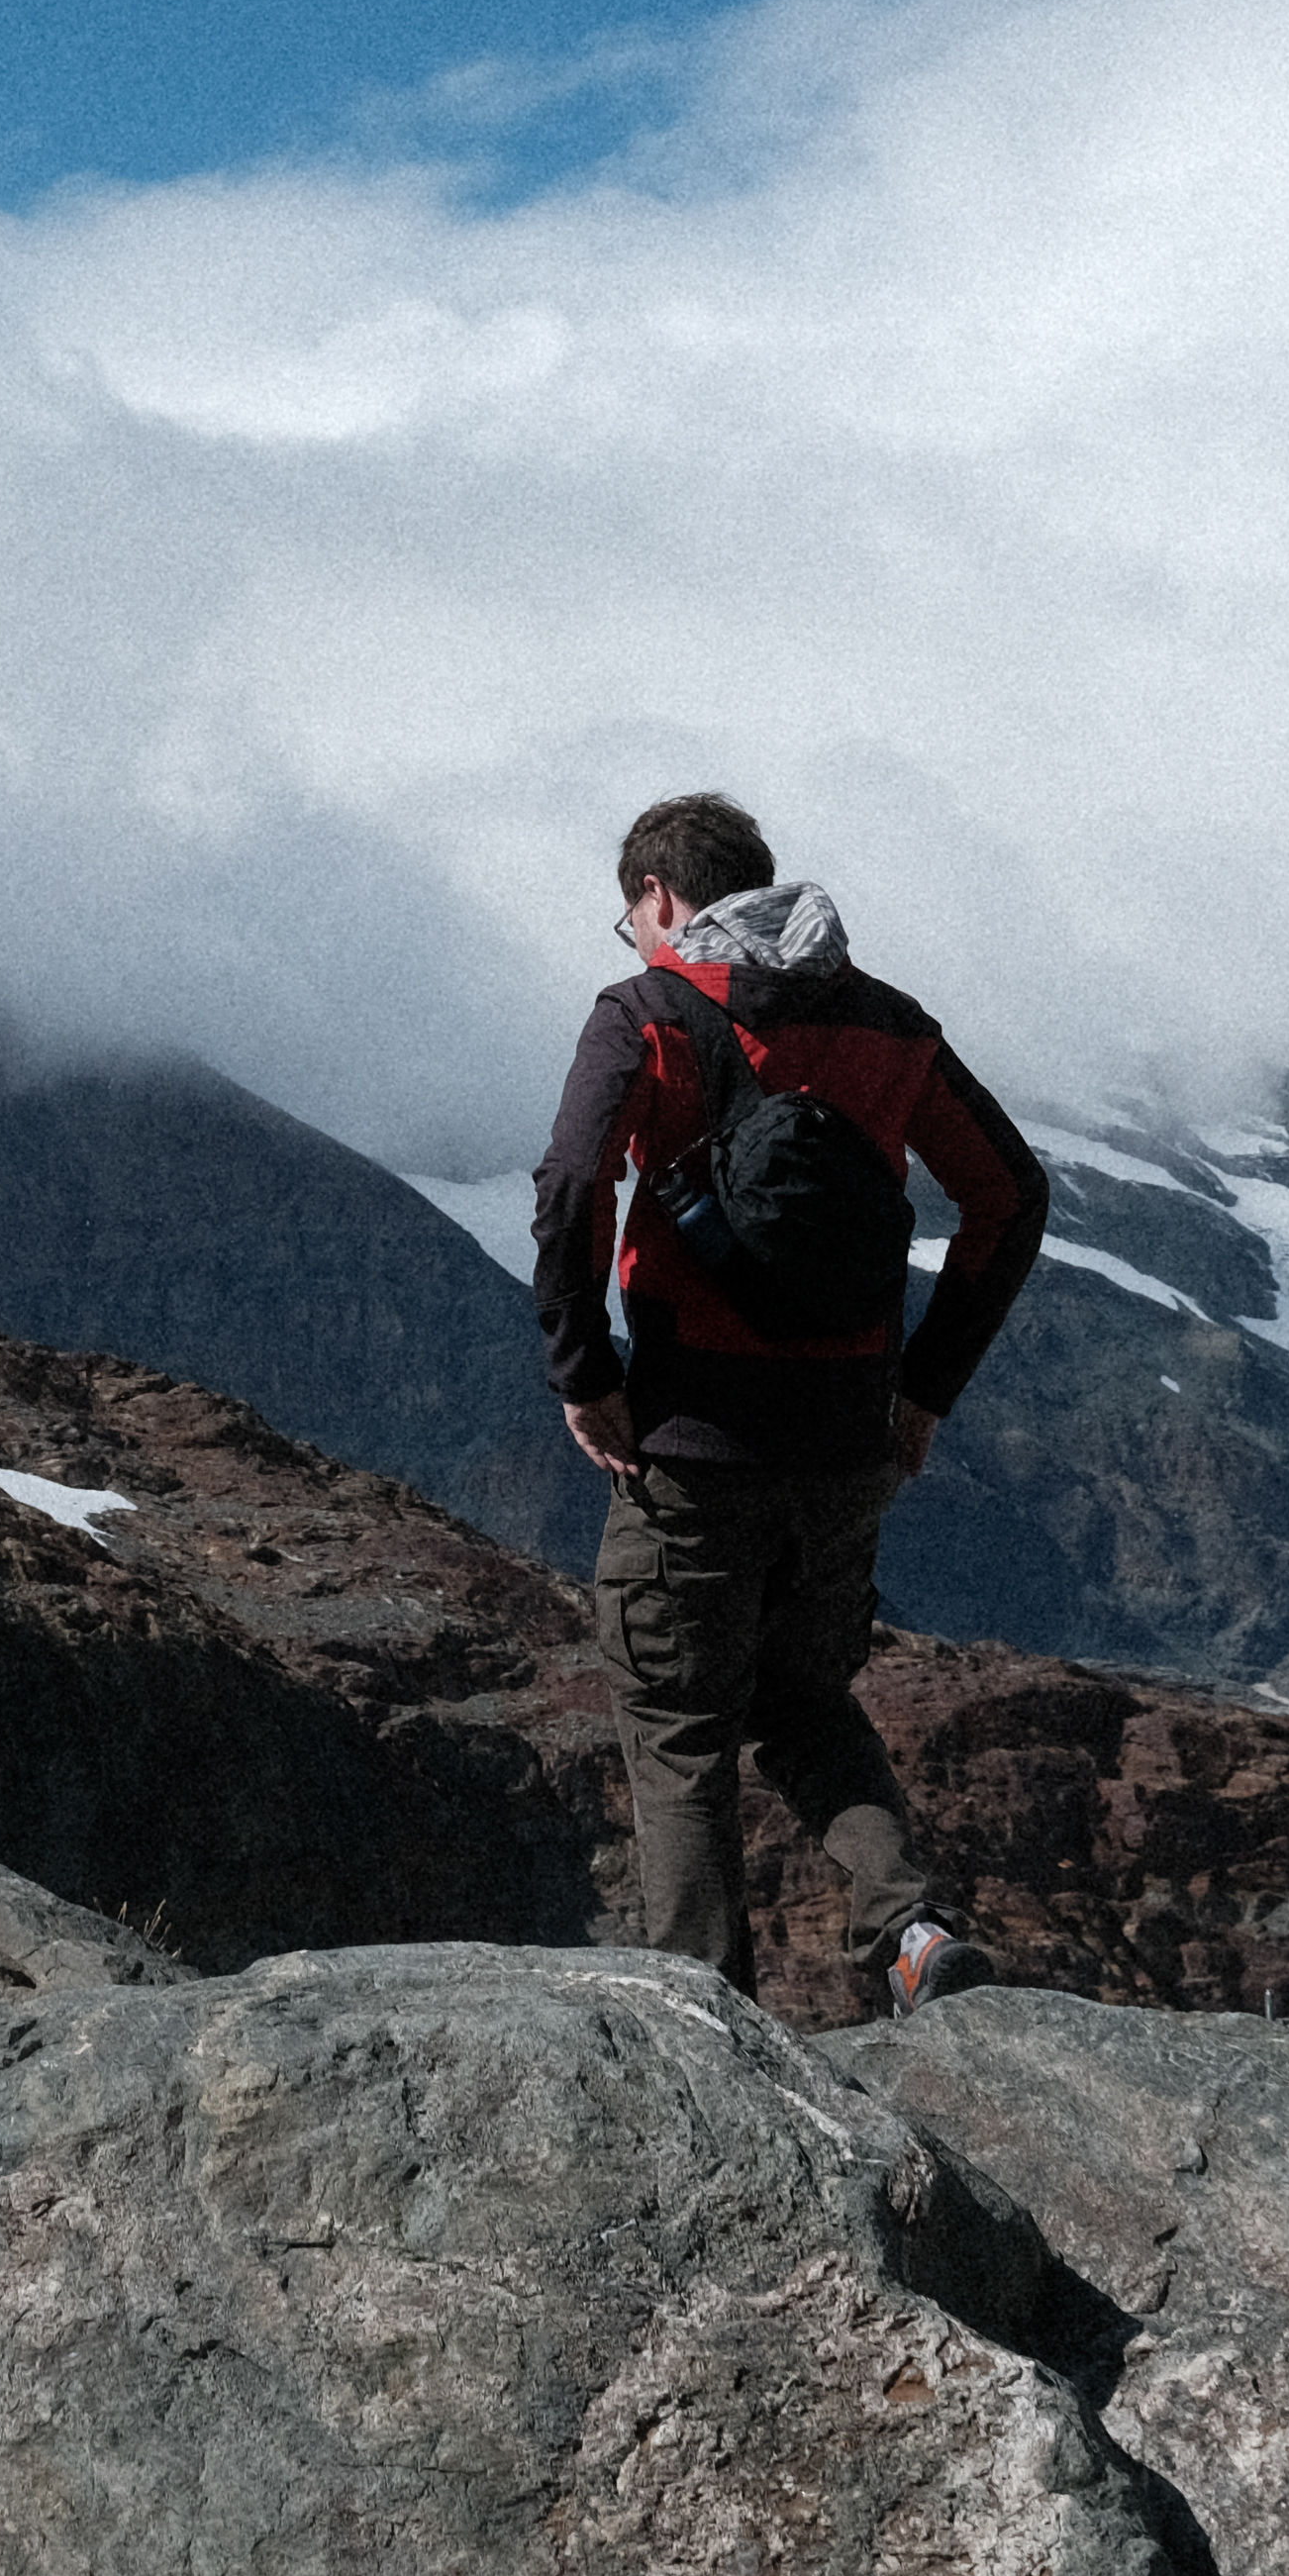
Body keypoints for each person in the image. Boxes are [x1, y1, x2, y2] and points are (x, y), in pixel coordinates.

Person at [531, 788, 1046, 2016]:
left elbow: (568, 1188)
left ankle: (705, 2018)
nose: (634, 938)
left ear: (658, 895)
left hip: (689, 1444)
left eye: (630, 917)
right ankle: (911, 1929)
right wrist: (924, 1390)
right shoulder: (887, 1023)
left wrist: (583, 1368)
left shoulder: (647, 1010)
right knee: (805, 1700)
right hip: (845, 1445)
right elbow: (1010, 1196)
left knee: (677, 1728)